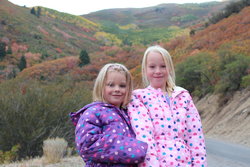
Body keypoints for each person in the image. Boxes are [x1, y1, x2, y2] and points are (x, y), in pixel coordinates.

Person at [127, 45, 207, 167]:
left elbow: (195, 137)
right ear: (145, 70)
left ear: (169, 68)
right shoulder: (139, 98)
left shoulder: (183, 96)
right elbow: (144, 137)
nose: (158, 71)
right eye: (152, 67)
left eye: (163, 66)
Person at [70, 63, 148, 167]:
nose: (117, 89)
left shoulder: (130, 113)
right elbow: (87, 145)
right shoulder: (93, 112)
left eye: (122, 85)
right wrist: (133, 148)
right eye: (111, 85)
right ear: (101, 86)